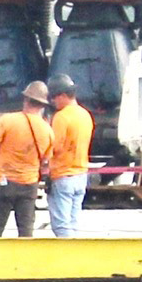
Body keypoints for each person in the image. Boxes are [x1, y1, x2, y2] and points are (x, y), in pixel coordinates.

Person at [0, 80, 53, 237]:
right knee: (26, 232)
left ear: (26, 99)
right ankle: (25, 260)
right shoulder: (47, 130)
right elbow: (45, 162)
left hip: (4, 182)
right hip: (29, 185)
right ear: (42, 105)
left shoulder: (7, 121)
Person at [46, 73, 94, 238]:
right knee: (73, 224)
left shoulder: (61, 117)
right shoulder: (85, 114)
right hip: (81, 175)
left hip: (63, 175)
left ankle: (67, 259)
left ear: (63, 95)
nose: (52, 101)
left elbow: (55, 147)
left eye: (53, 97)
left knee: (61, 226)